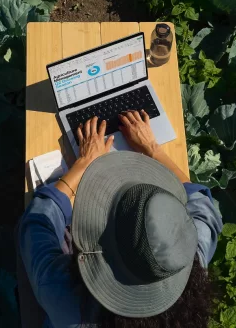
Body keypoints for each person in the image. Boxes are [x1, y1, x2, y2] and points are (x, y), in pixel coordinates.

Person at [19, 110, 223, 328]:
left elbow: (37, 223)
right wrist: (152, 148)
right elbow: (203, 207)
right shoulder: (183, 260)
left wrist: (85, 163)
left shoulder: (68, 301)